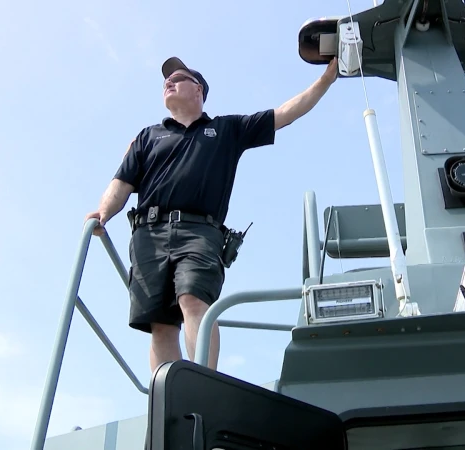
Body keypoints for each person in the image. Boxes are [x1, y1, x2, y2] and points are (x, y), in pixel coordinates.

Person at [84, 55, 338, 373]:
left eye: (178, 78)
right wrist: (104, 213)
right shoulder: (148, 137)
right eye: (166, 80)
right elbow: (121, 183)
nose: (168, 82)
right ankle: (170, 399)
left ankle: (202, 384)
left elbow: (285, 114)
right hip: (148, 235)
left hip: (199, 233)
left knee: (193, 301)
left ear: (198, 90)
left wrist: (326, 80)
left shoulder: (226, 130)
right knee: (160, 324)